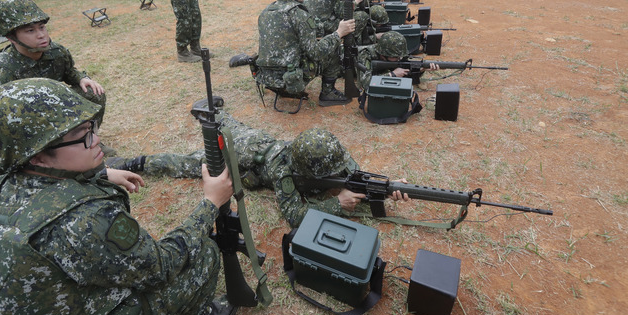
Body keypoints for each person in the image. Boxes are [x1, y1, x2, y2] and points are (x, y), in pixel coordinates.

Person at [0, 77, 236, 315]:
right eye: (82, 134)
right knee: (201, 254)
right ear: (38, 154)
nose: (97, 139)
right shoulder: (82, 222)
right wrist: (210, 204)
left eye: (92, 127)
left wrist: (98, 174)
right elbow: (161, 266)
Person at [106, 116, 410, 229]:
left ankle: (215, 113)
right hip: (246, 159)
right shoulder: (283, 170)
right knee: (187, 163)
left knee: (236, 125)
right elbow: (294, 216)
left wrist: (386, 187)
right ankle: (131, 163)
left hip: (262, 140)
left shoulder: (327, 154)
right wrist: (335, 205)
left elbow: (353, 175)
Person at [0, 0, 107, 128]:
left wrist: (81, 78)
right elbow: (4, 117)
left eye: (41, 27)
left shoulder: (57, 52)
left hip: (53, 105)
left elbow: (69, 73)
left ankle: (85, 139)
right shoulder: (3, 71)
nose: (41, 35)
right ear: (11, 38)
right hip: (29, 120)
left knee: (93, 92)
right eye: (30, 30)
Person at [255, 0, 355, 107]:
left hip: (268, 79)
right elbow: (316, 53)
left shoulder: (265, 12)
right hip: (291, 79)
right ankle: (328, 93)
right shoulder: (298, 14)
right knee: (332, 48)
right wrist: (338, 33)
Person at [357, 30, 439, 89]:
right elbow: (366, 84)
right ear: (383, 55)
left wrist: (420, 69)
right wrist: (392, 75)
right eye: (395, 57)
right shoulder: (365, 54)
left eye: (400, 56)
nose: (399, 59)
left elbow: (405, 69)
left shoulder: (391, 56)